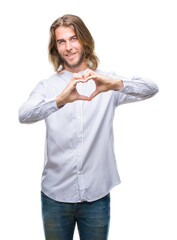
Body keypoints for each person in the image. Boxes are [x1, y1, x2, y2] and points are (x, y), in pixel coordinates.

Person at [18, 14, 159, 240]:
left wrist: (116, 84)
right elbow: (23, 115)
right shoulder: (47, 86)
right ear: (55, 47)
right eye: (61, 41)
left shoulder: (107, 82)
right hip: (55, 197)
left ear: (84, 41)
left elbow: (151, 88)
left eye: (73, 39)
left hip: (97, 198)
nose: (68, 47)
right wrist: (59, 100)